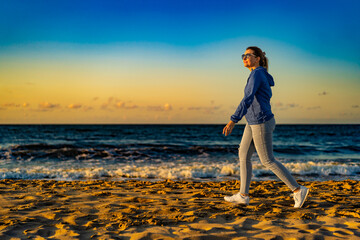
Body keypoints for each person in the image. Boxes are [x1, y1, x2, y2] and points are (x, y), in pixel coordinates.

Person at [222, 46, 309, 208]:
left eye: (248, 55)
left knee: (267, 160)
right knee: (243, 155)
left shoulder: (257, 74)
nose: (245, 58)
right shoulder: (259, 74)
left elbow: (247, 99)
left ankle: (298, 190)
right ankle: (243, 195)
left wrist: (233, 120)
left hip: (261, 121)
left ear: (258, 58)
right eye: (243, 55)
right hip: (252, 121)